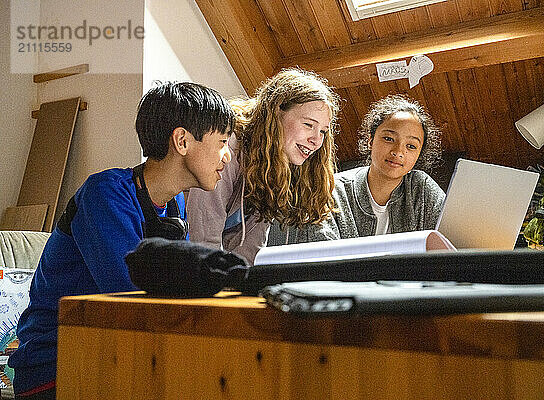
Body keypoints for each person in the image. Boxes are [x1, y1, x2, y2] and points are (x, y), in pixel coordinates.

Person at [8, 82, 235, 399]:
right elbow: (129, 296)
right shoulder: (106, 193)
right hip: (57, 366)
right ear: (182, 141)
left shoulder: (174, 206)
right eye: (222, 141)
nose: (227, 155)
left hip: (115, 354)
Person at [186, 68, 340, 264]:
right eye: (309, 125)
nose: (316, 140)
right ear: (277, 114)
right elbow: (203, 237)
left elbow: (250, 249)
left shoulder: (274, 160)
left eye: (323, 131)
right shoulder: (227, 146)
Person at [289, 94, 444, 243]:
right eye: (389, 139)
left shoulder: (421, 188)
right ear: (370, 141)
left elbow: (452, 243)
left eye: (411, 146)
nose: (398, 152)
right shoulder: (330, 189)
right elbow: (319, 256)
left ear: (418, 155)